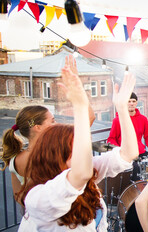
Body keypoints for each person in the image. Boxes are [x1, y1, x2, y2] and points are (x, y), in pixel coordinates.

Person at [16, 64, 139, 231]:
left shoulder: (86, 171)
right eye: (76, 148)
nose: (84, 153)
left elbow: (129, 153)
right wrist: (80, 106)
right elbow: (81, 174)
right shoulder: (38, 199)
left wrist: (122, 108)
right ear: (58, 154)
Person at [1, 55, 94, 203]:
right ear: (38, 127)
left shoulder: (14, 160)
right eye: (52, 120)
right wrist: (78, 87)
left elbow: (18, 197)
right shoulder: (57, 146)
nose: (56, 123)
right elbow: (89, 118)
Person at [107, 91, 148, 181]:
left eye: (133, 101)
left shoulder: (143, 119)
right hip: (126, 154)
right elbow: (111, 139)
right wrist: (119, 151)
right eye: (129, 101)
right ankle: (135, 190)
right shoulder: (118, 120)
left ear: (136, 103)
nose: (131, 104)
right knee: (136, 168)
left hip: (140, 151)